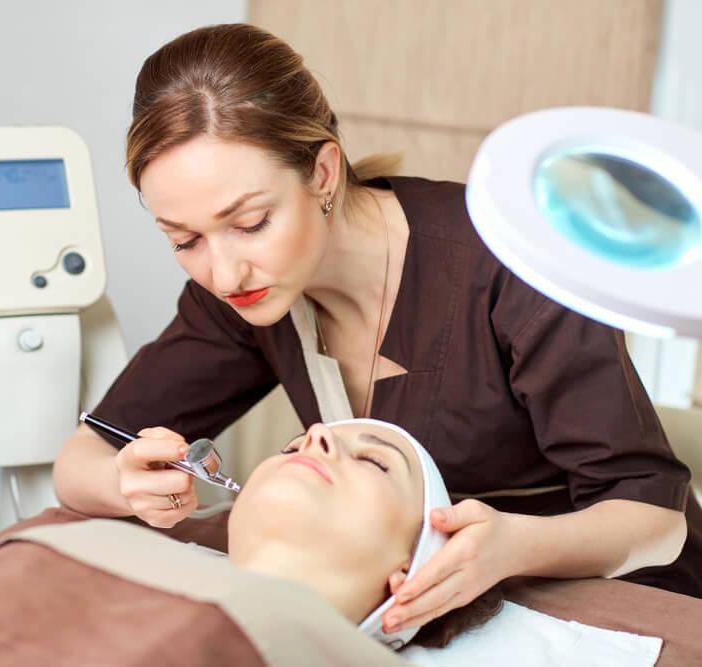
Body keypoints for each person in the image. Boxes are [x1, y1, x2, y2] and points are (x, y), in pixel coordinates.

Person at [52, 22, 699, 635]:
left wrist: (512, 545)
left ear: (324, 173)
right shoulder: (243, 296)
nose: (222, 270)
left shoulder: (504, 267)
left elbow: (655, 519)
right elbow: (81, 461)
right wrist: (125, 482)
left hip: (616, 598)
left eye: (250, 222)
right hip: (422, 616)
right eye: (185, 238)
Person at [0, 420, 496, 666]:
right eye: (298, 441)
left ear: (407, 575)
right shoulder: (75, 541)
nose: (317, 436)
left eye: (374, 461)